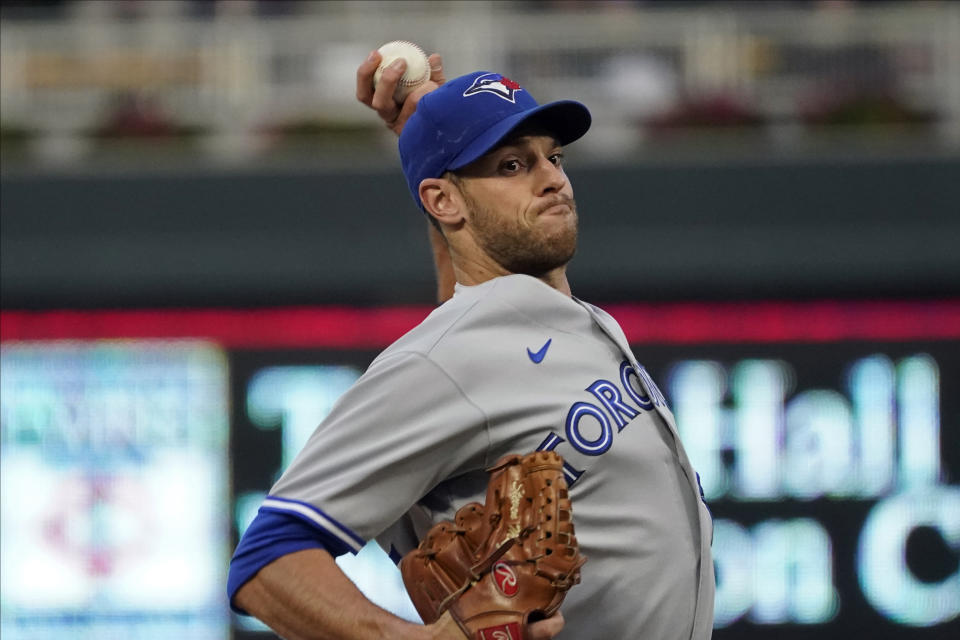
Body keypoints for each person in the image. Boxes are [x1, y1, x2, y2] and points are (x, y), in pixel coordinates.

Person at [227, 50, 715, 640]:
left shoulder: (555, 321)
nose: (552, 177)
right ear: (443, 201)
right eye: (512, 165)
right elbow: (267, 560)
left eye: (552, 156)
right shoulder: (437, 364)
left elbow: (475, 338)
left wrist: (427, 130)